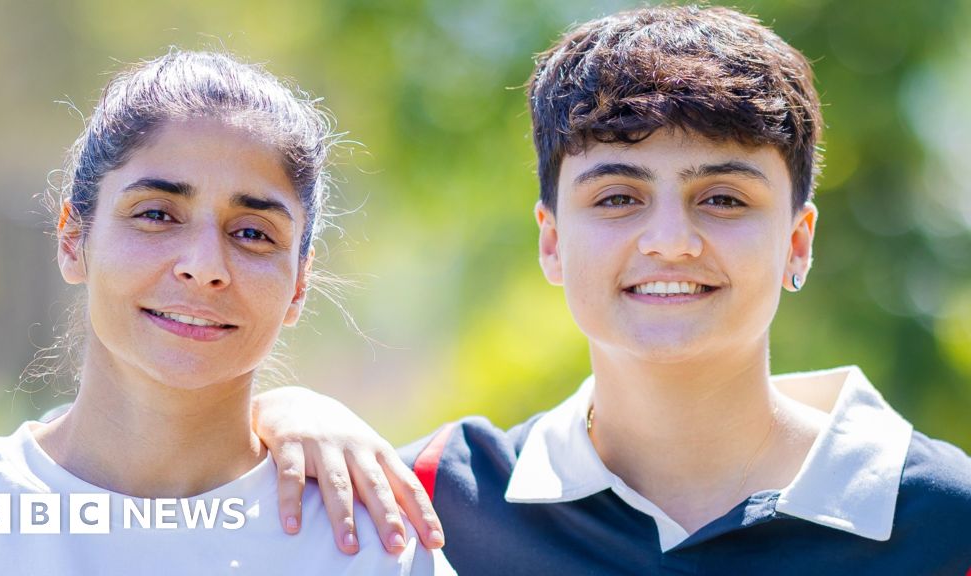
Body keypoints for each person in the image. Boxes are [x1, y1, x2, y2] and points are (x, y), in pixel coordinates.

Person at [250, 6, 971, 574]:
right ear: (552, 241)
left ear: (798, 240)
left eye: (723, 198)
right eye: (618, 198)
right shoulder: (428, 501)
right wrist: (264, 420)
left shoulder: (946, 522)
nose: (670, 241)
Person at [0, 49, 453, 576]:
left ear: (299, 284)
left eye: (252, 233)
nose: (205, 266)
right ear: (74, 239)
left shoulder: (371, 547)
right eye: (157, 214)